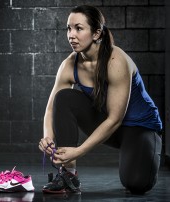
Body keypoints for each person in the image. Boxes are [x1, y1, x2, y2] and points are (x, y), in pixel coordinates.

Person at [38, 5, 162, 195]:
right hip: (109, 126)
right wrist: (48, 138)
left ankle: (144, 151)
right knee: (63, 98)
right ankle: (68, 175)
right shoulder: (69, 65)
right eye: (69, 28)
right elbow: (50, 109)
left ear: (96, 33)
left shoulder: (116, 60)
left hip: (140, 127)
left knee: (136, 184)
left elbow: (115, 119)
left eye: (79, 28)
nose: (71, 35)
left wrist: (78, 151)